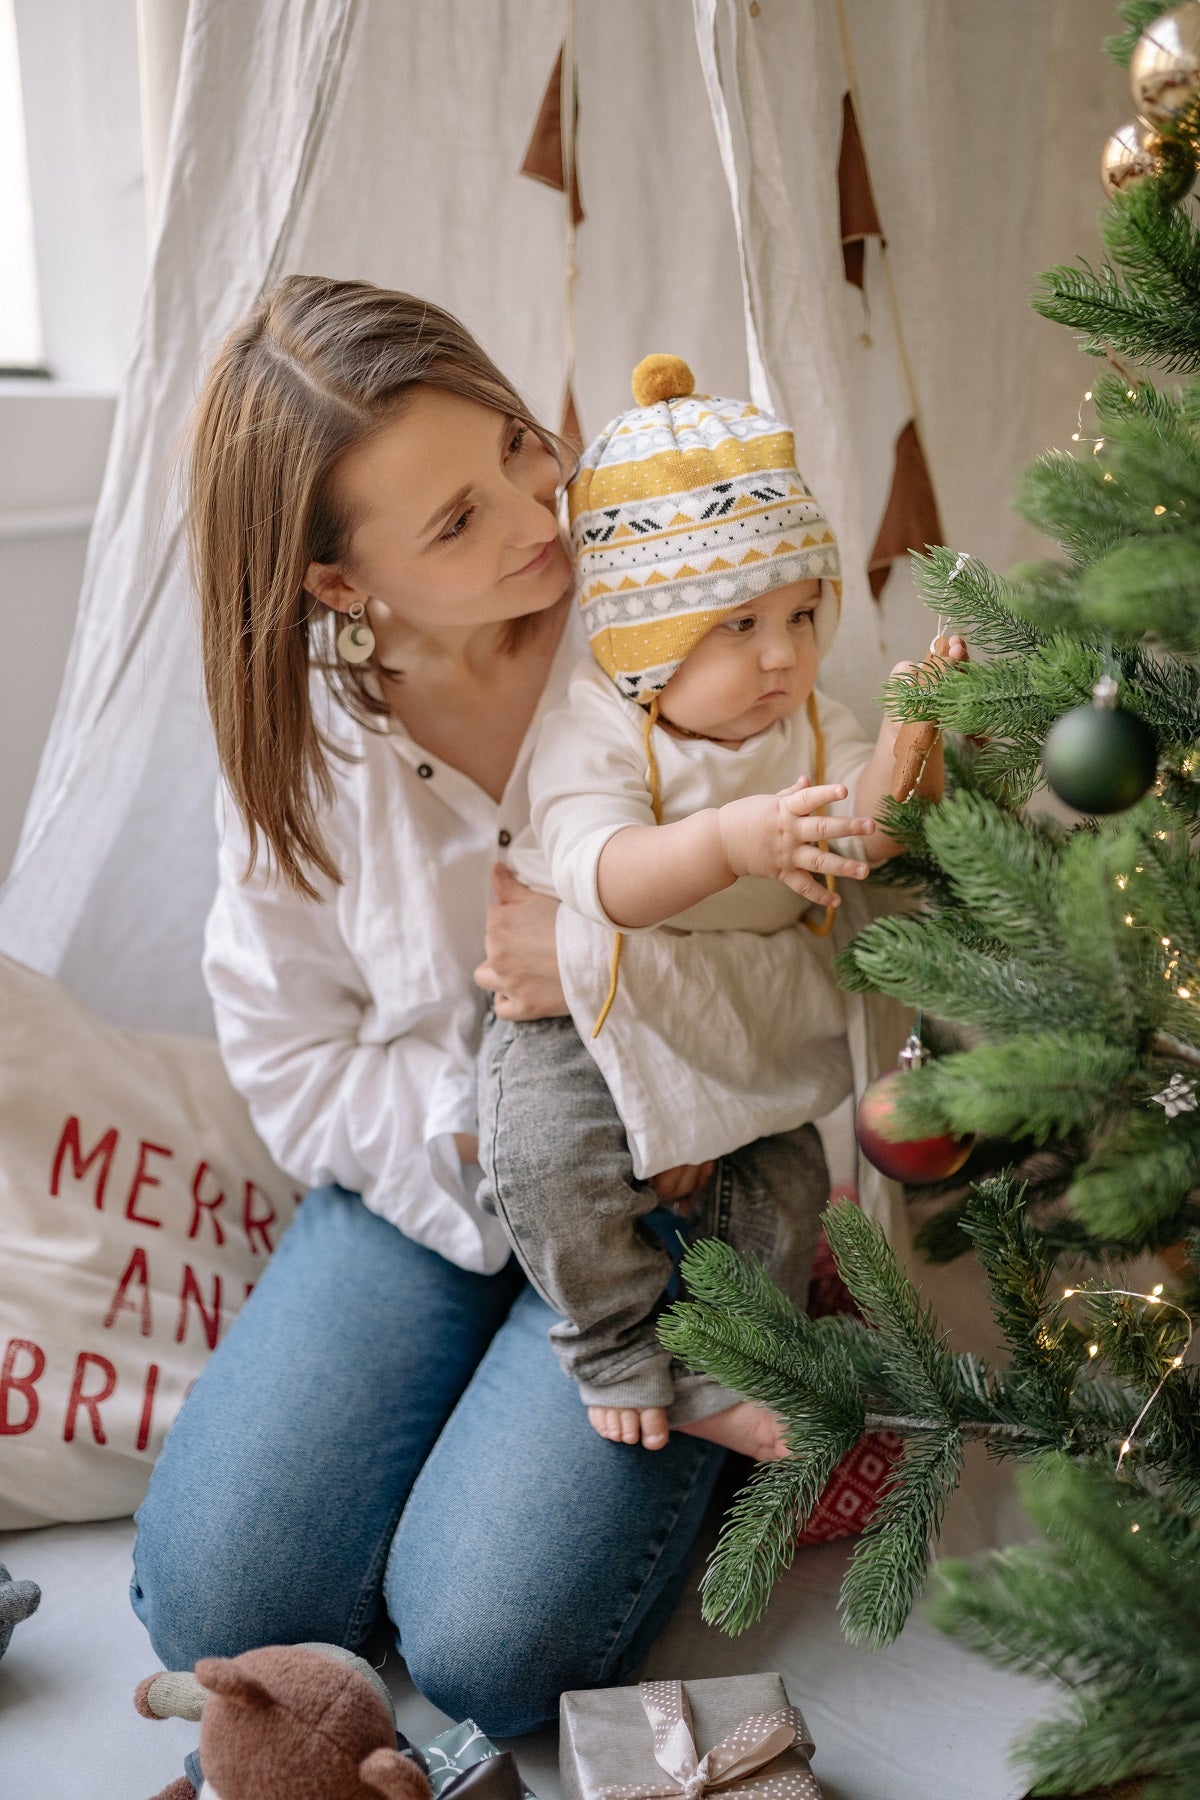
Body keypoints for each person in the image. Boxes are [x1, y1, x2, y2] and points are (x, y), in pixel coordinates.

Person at [128, 277, 904, 1740]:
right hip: (432, 1181)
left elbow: (823, 917)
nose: (537, 516)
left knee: (493, 1647)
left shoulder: (678, 613)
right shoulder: (306, 750)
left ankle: (735, 1336)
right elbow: (292, 1056)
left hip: (675, 1177)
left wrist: (613, 976)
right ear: (342, 588)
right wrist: (490, 1134)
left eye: (517, 448)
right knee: (226, 1606)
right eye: (454, 524)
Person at [477, 355, 964, 1455]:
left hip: (732, 1014)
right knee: (552, 1158)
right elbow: (605, 880)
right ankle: (612, 1340)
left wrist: (908, 735)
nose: (784, 654)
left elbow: (873, 832)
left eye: (801, 611)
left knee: (792, 1184)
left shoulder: (809, 727)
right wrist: (734, 837)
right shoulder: (599, 728)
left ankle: (721, 1366)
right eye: (737, 625)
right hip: (579, 1010)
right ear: (645, 638)